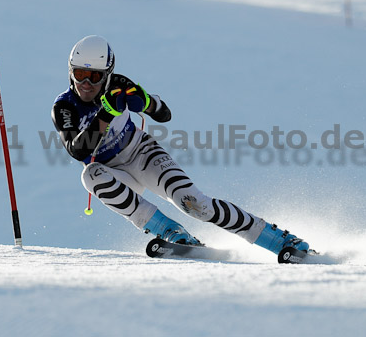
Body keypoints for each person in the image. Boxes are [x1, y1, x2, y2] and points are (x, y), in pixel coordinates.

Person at [51, 35, 311, 258]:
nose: (86, 84)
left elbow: (164, 115)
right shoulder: (65, 106)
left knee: (195, 204)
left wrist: (147, 102)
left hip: (140, 153)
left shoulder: (119, 84)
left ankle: (279, 240)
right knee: (90, 175)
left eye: (94, 76)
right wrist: (106, 113)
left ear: (107, 74)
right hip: (111, 172)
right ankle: (171, 232)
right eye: (79, 74)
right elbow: (78, 151)